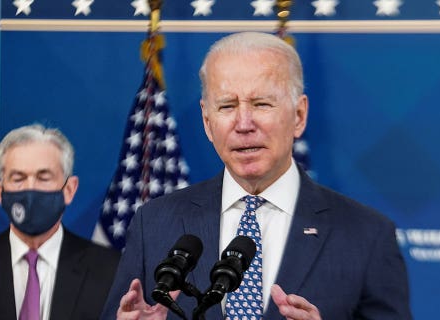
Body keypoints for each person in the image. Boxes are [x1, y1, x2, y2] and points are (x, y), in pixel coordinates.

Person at [101, 32, 411, 320]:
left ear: (299, 116)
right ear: (208, 122)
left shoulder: (367, 235)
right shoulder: (154, 223)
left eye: (261, 104)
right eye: (227, 105)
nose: (244, 123)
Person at [0, 124, 120, 320]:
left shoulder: (111, 271)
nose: (30, 189)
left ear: (69, 190)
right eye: (18, 178)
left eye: (43, 177)